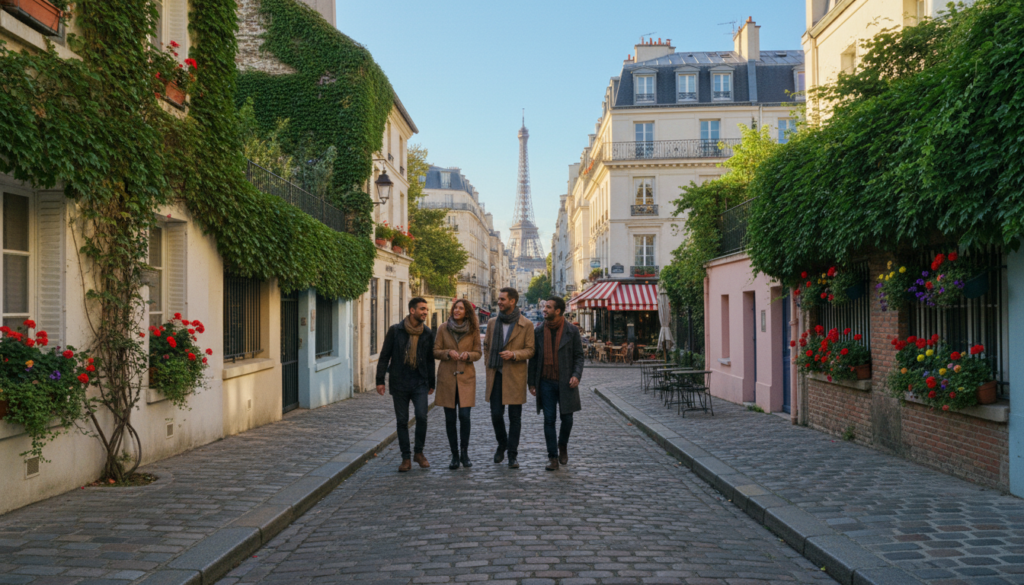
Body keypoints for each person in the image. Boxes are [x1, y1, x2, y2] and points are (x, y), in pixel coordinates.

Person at [376, 297, 436, 472]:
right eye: (422, 309)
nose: (425, 312)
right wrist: (380, 380)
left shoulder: (427, 333)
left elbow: (430, 360)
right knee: (402, 421)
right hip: (399, 381)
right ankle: (405, 458)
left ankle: (419, 452)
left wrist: (431, 382)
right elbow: (384, 356)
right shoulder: (396, 331)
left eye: (426, 309)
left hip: (420, 382)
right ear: (412, 310)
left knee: (422, 416)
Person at [528, 296, 584, 471]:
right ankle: (552, 457)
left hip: (566, 381)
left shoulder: (571, 331)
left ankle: (563, 445)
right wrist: (531, 383)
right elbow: (534, 359)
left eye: (548, 307)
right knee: (549, 420)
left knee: (567, 419)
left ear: (558, 311)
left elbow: (579, 356)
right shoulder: (538, 331)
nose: (544, 309)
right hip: (545, 382)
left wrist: (576, 375)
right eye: (544, 307)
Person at [483, 287, 535, 469]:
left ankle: (512, 454)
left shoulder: (526, 324)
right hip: (496, 373)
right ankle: (502, 443)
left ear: (513, 301)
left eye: (503, 299)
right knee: (496, 415)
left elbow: (530, 350)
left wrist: (513, 354)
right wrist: (487, 362)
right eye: (499, 299)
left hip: (514, 375)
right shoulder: (491, 323)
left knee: (515, 417)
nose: (499, 302)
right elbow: (487, 345)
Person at [433, 298, 482, 470]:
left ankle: (464, 453)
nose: (457, 311)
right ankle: (454, 455)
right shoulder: (443, 328)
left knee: (465, 417)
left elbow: (478, 353)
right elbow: (435, 351)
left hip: (466, 378)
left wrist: (468, 355)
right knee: (450, 418)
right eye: (455, 308)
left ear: (467, 311)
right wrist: (448, 352)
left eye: (461, 308)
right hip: (447, 378)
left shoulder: (474, 330)